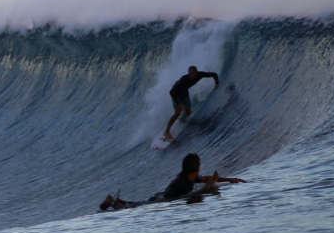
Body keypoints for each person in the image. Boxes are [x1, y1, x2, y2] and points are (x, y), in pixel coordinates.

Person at [99, 153, 245, 211]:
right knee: (131, 209)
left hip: (161, 196)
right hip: (161, 200)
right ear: (197, 167)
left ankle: (117, 199)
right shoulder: (181, 182)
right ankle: (111, 202)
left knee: (136, 204)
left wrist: (229, 180)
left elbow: (206, 178)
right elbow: (169, 197)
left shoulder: (189, 177)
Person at [163, 66, 220, 141]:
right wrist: (179, 103)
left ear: (196, 72)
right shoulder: (184, 79)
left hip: (185, 94)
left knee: (188, 113)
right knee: (177, 112)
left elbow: (214, 74)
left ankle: (182, 119)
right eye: (190, 73)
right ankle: (166, 131)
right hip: (176, 94)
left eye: (193, 73)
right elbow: (171, 92)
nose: (192, 75)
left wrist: (216, 83)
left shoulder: (200, 75)